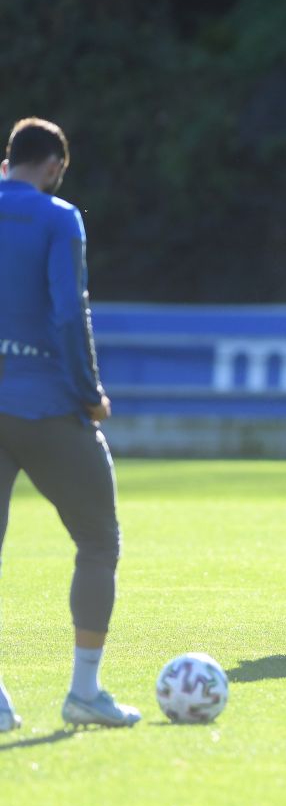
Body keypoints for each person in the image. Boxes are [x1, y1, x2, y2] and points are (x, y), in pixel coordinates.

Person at [0, 117, 140, 728]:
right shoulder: (60, 217)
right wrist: (89, 394)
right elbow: (66, 312)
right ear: (55, 166)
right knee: (98, 541)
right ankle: (84, 691)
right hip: (45, 403)